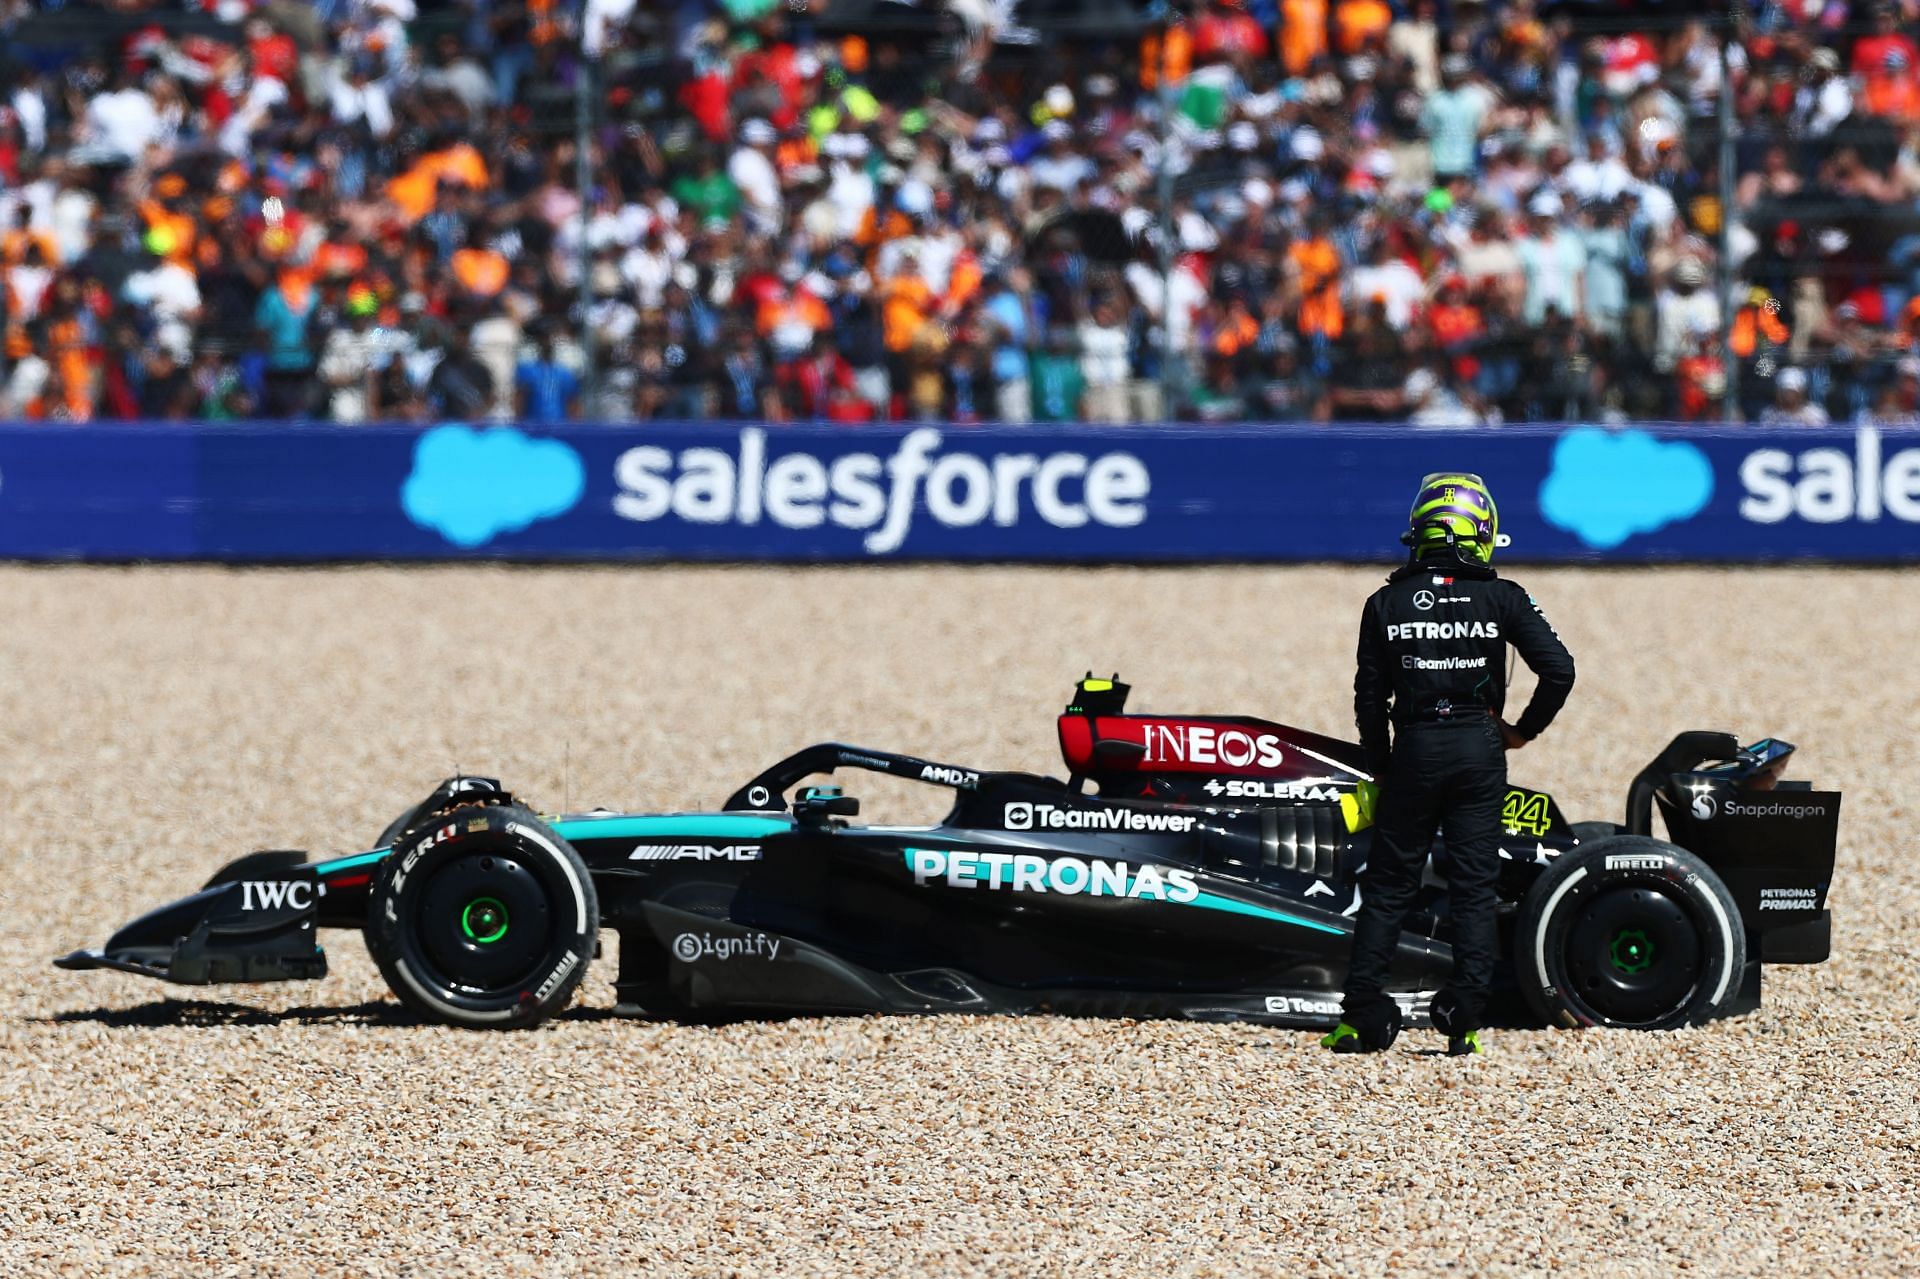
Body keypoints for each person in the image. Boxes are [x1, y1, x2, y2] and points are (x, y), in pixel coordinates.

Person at [1326, 473, 1575, 1057]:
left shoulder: (1383, 602)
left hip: (1414, 748)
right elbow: (1559, 669)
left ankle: (1361, 1017)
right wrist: (1521, 732)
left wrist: (1381, 763)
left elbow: (1368, 698)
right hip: (1478, 750)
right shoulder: (1504, 596)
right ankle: (1463, 1018)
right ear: (1482, 533)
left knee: (1389, 884)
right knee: (1473, 886)